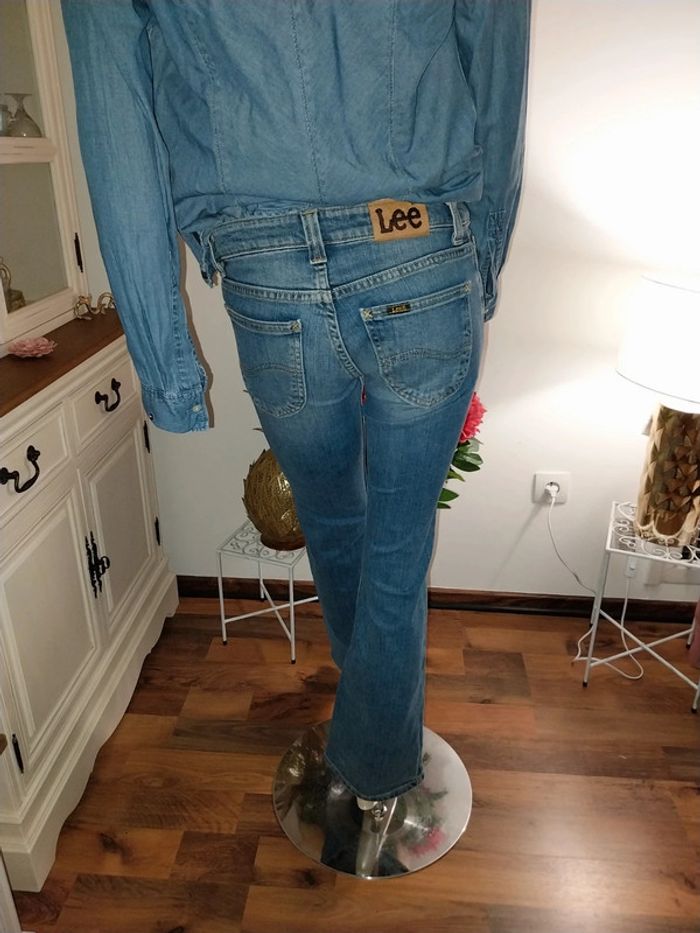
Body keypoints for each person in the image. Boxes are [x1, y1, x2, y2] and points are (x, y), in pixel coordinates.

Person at [62, 0, 531, 807]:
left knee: (336, 523)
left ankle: (369, 750)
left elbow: (115, 125)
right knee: (397, 543)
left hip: (267, 273)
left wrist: (167, 366)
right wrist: (480, 255)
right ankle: (379, 770)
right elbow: (497, 59)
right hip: (421, 248)